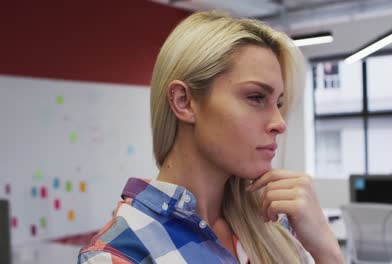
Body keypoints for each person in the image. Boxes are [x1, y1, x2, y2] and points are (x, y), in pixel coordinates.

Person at [78, 11, 343, 264]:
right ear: (184, 102)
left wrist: (327, 252)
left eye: (279, 103)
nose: (279, 123)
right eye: (256, 97)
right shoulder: (121, 253)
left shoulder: (275, 226)